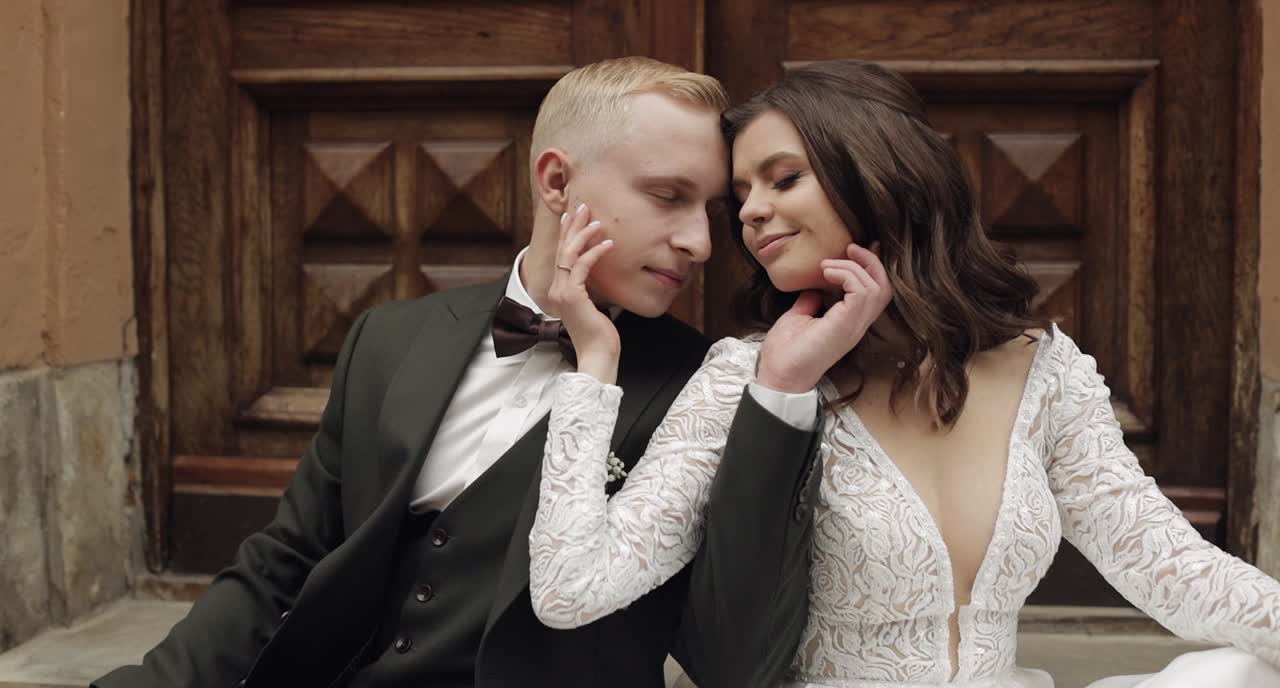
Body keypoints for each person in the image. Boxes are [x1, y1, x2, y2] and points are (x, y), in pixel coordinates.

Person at [528, 59, 1280, 688]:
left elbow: (1176, 572)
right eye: (743, 197)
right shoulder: (746, 378)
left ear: (876, 175)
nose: (752, 213)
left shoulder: (1042, 368)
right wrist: (595, 369)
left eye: (782, 179)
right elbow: (570, 589)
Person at [93, 57, 822, 688]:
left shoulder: (706, 386)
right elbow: (285, 562)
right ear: (557, 181)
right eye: (668, 196)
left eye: (712, 210)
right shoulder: (391, 338)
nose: (699, 241)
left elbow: (732, 650)